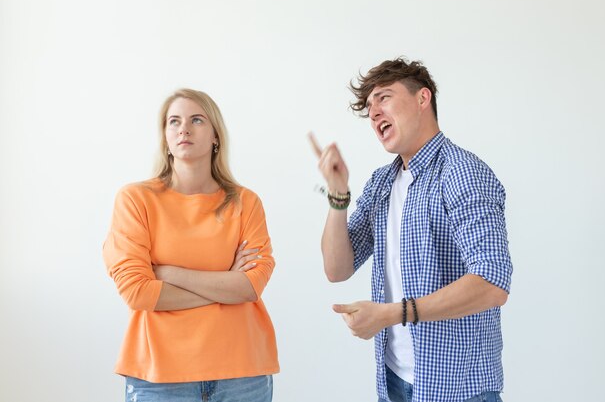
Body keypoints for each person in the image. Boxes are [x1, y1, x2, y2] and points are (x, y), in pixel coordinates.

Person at [309, 58, 512, 402]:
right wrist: (337, 194)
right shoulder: (382, 183)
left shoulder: (462, 174)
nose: (373, 113)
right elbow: (337, 268)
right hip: (394, 382)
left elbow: (492, 283)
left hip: (457, 390)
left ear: (423, 99)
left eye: (384, 97)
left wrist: (392, 314)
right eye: (369, 107)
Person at [103, 88, 278, 402]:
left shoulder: (245, 202)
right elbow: (138, 292)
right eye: (174, 121)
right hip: (159, 375)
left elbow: (250, 287)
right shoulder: (135, 200)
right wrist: (225, 284)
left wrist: (168, 273)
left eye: (196, 119)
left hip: (241, 373)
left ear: (215, 136)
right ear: (165, 137)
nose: (183, 128)